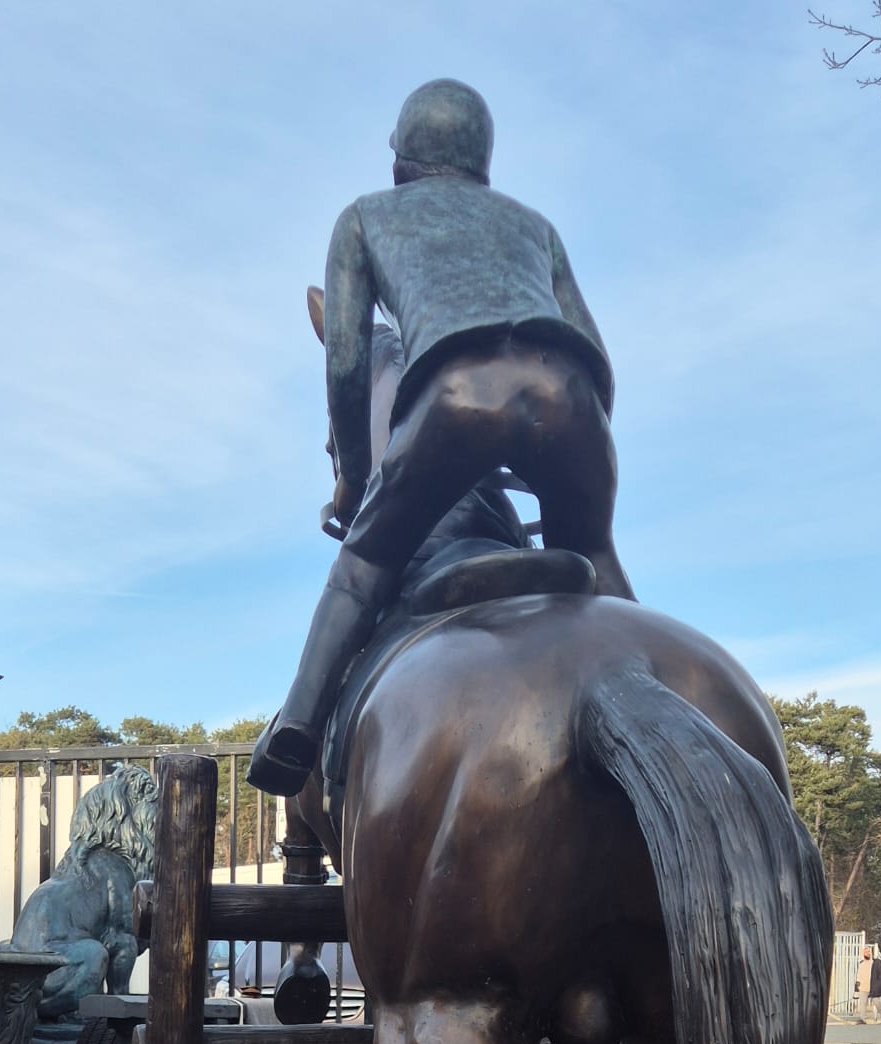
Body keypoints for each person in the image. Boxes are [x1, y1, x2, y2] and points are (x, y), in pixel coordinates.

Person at [247, 78, 633, 796]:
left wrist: (355, 481)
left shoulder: (364, 217)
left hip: (459, 393)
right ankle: (646, 673)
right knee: (597, 556)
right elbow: (592, 348)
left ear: (403, 155)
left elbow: (348, 361)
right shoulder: (533, 224)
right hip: (572, 394)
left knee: (362, 566)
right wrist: (569, 456)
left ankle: (297, 727)